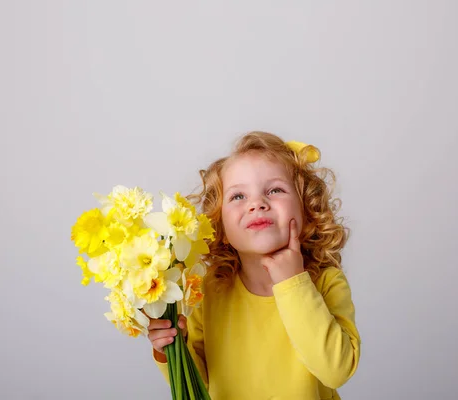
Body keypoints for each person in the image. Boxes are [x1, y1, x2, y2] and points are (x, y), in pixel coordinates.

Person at [148, 131, 361, 399]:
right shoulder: (210, 290)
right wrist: (170, 347)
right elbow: (199, 382)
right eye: (238, 197)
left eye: (275, 190)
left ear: (307, 210)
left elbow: (335, 371)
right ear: (220, 226)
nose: (257, 204)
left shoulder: (326, 282)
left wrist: (292, 283)